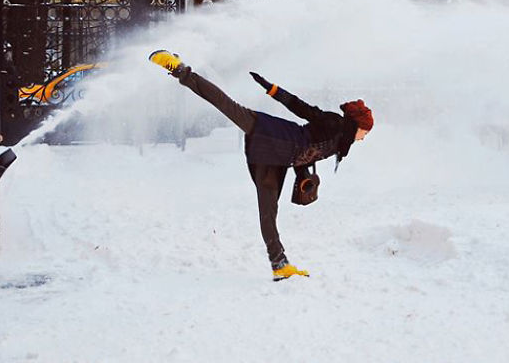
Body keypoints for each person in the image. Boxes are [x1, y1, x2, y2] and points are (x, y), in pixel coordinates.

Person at [150, 50, 373, 281]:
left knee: (268, 214)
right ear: (358, 125)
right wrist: (273, 90)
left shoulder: (340, 143)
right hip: (272, 134)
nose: (364, 138)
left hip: (277, 159)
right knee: (225, 104)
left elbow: (308, 151)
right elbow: (301, 108)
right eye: (365, 132)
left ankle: (279, 264)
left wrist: (304, 173)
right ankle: (179, 70)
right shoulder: (335, 123)